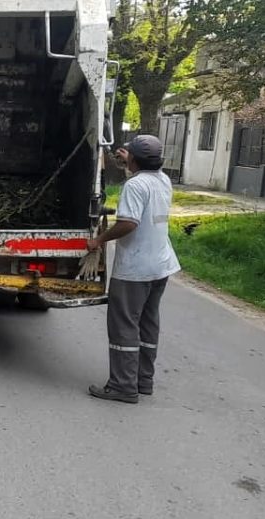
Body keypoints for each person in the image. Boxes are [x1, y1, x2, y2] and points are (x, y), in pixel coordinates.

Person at [87, 135, 181, 404]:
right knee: (148, 323)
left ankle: (122, 386)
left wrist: (98, 240)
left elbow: (128, 223)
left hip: (135, 269)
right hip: (160, 264)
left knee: (124, 325)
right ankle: (143, 380)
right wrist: (131, 160)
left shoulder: (135, 185)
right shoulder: (162, 180)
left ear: (136, 160)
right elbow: (146, 168)